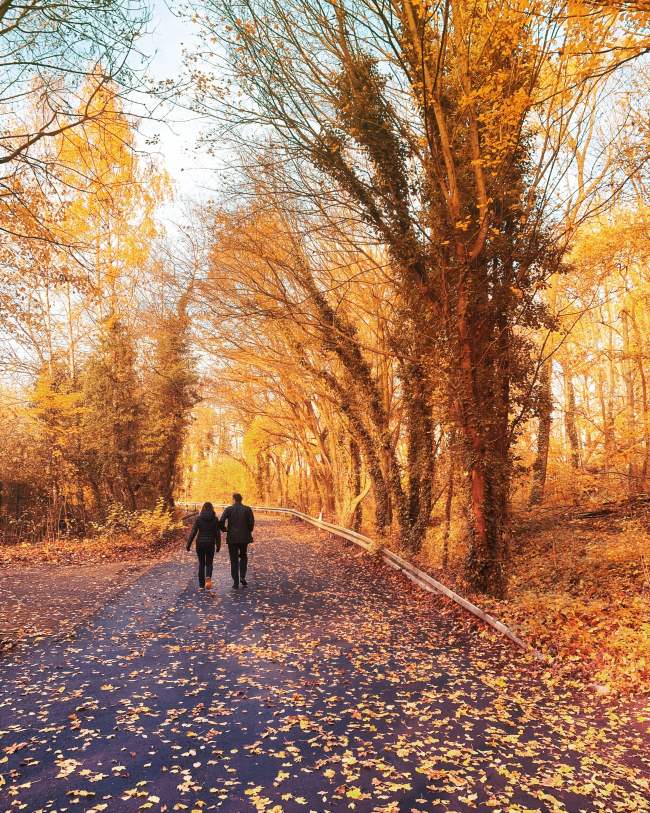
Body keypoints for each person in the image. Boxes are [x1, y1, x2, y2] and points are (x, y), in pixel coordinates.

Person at [220, 493, 254, 589]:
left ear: (234, 499)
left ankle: (235, 582)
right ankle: (242, 576)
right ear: (241, 500)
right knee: (243, 556)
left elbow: (221, 521)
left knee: (234, 560)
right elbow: (251, 523)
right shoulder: (247, 509)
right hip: (244, 538)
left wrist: (224, 529)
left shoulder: (228, 509)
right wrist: (248, 530)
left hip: (232, 538)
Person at [186, 501, 221, 590]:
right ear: (212, 509)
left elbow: (193, 532)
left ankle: (201, 585)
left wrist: (188, 544)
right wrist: (218, 545)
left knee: (201, 564)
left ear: (203, 509)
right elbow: (217, 533)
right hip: (210, 543)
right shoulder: (215, 519)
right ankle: (208, 577)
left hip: (200, 543)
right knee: (209, 563)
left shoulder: (199, 519)